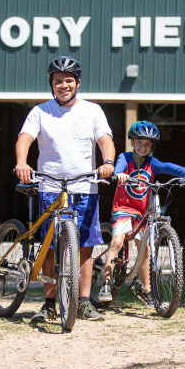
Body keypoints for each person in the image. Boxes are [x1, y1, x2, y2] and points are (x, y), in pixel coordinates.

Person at [14, 55, 115, 322]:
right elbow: (25, 138)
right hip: (50, 186)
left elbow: (105, 139)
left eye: (68, 80)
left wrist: (108, 162)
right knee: (48, 248)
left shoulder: (92, 111)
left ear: (77, 83)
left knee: (84, 248)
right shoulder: (40, 111)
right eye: (58, 81)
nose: (63, 85)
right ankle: (49, 303)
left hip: (85, 186)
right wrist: (22, 162)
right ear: (52, 84)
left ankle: (82, 302)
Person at [98, 120, 185, 306]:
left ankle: (147, 290)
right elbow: (118, 167)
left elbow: (170, 167)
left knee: (144, 248)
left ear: (152, 146)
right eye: (139, 143)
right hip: (123, 208)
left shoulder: (152, 163)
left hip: (141, 212)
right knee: (117, 241)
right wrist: (120, 174)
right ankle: (105, 283)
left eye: (147, 144)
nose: (143, 147)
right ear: (133, 143)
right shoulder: (125, 158)